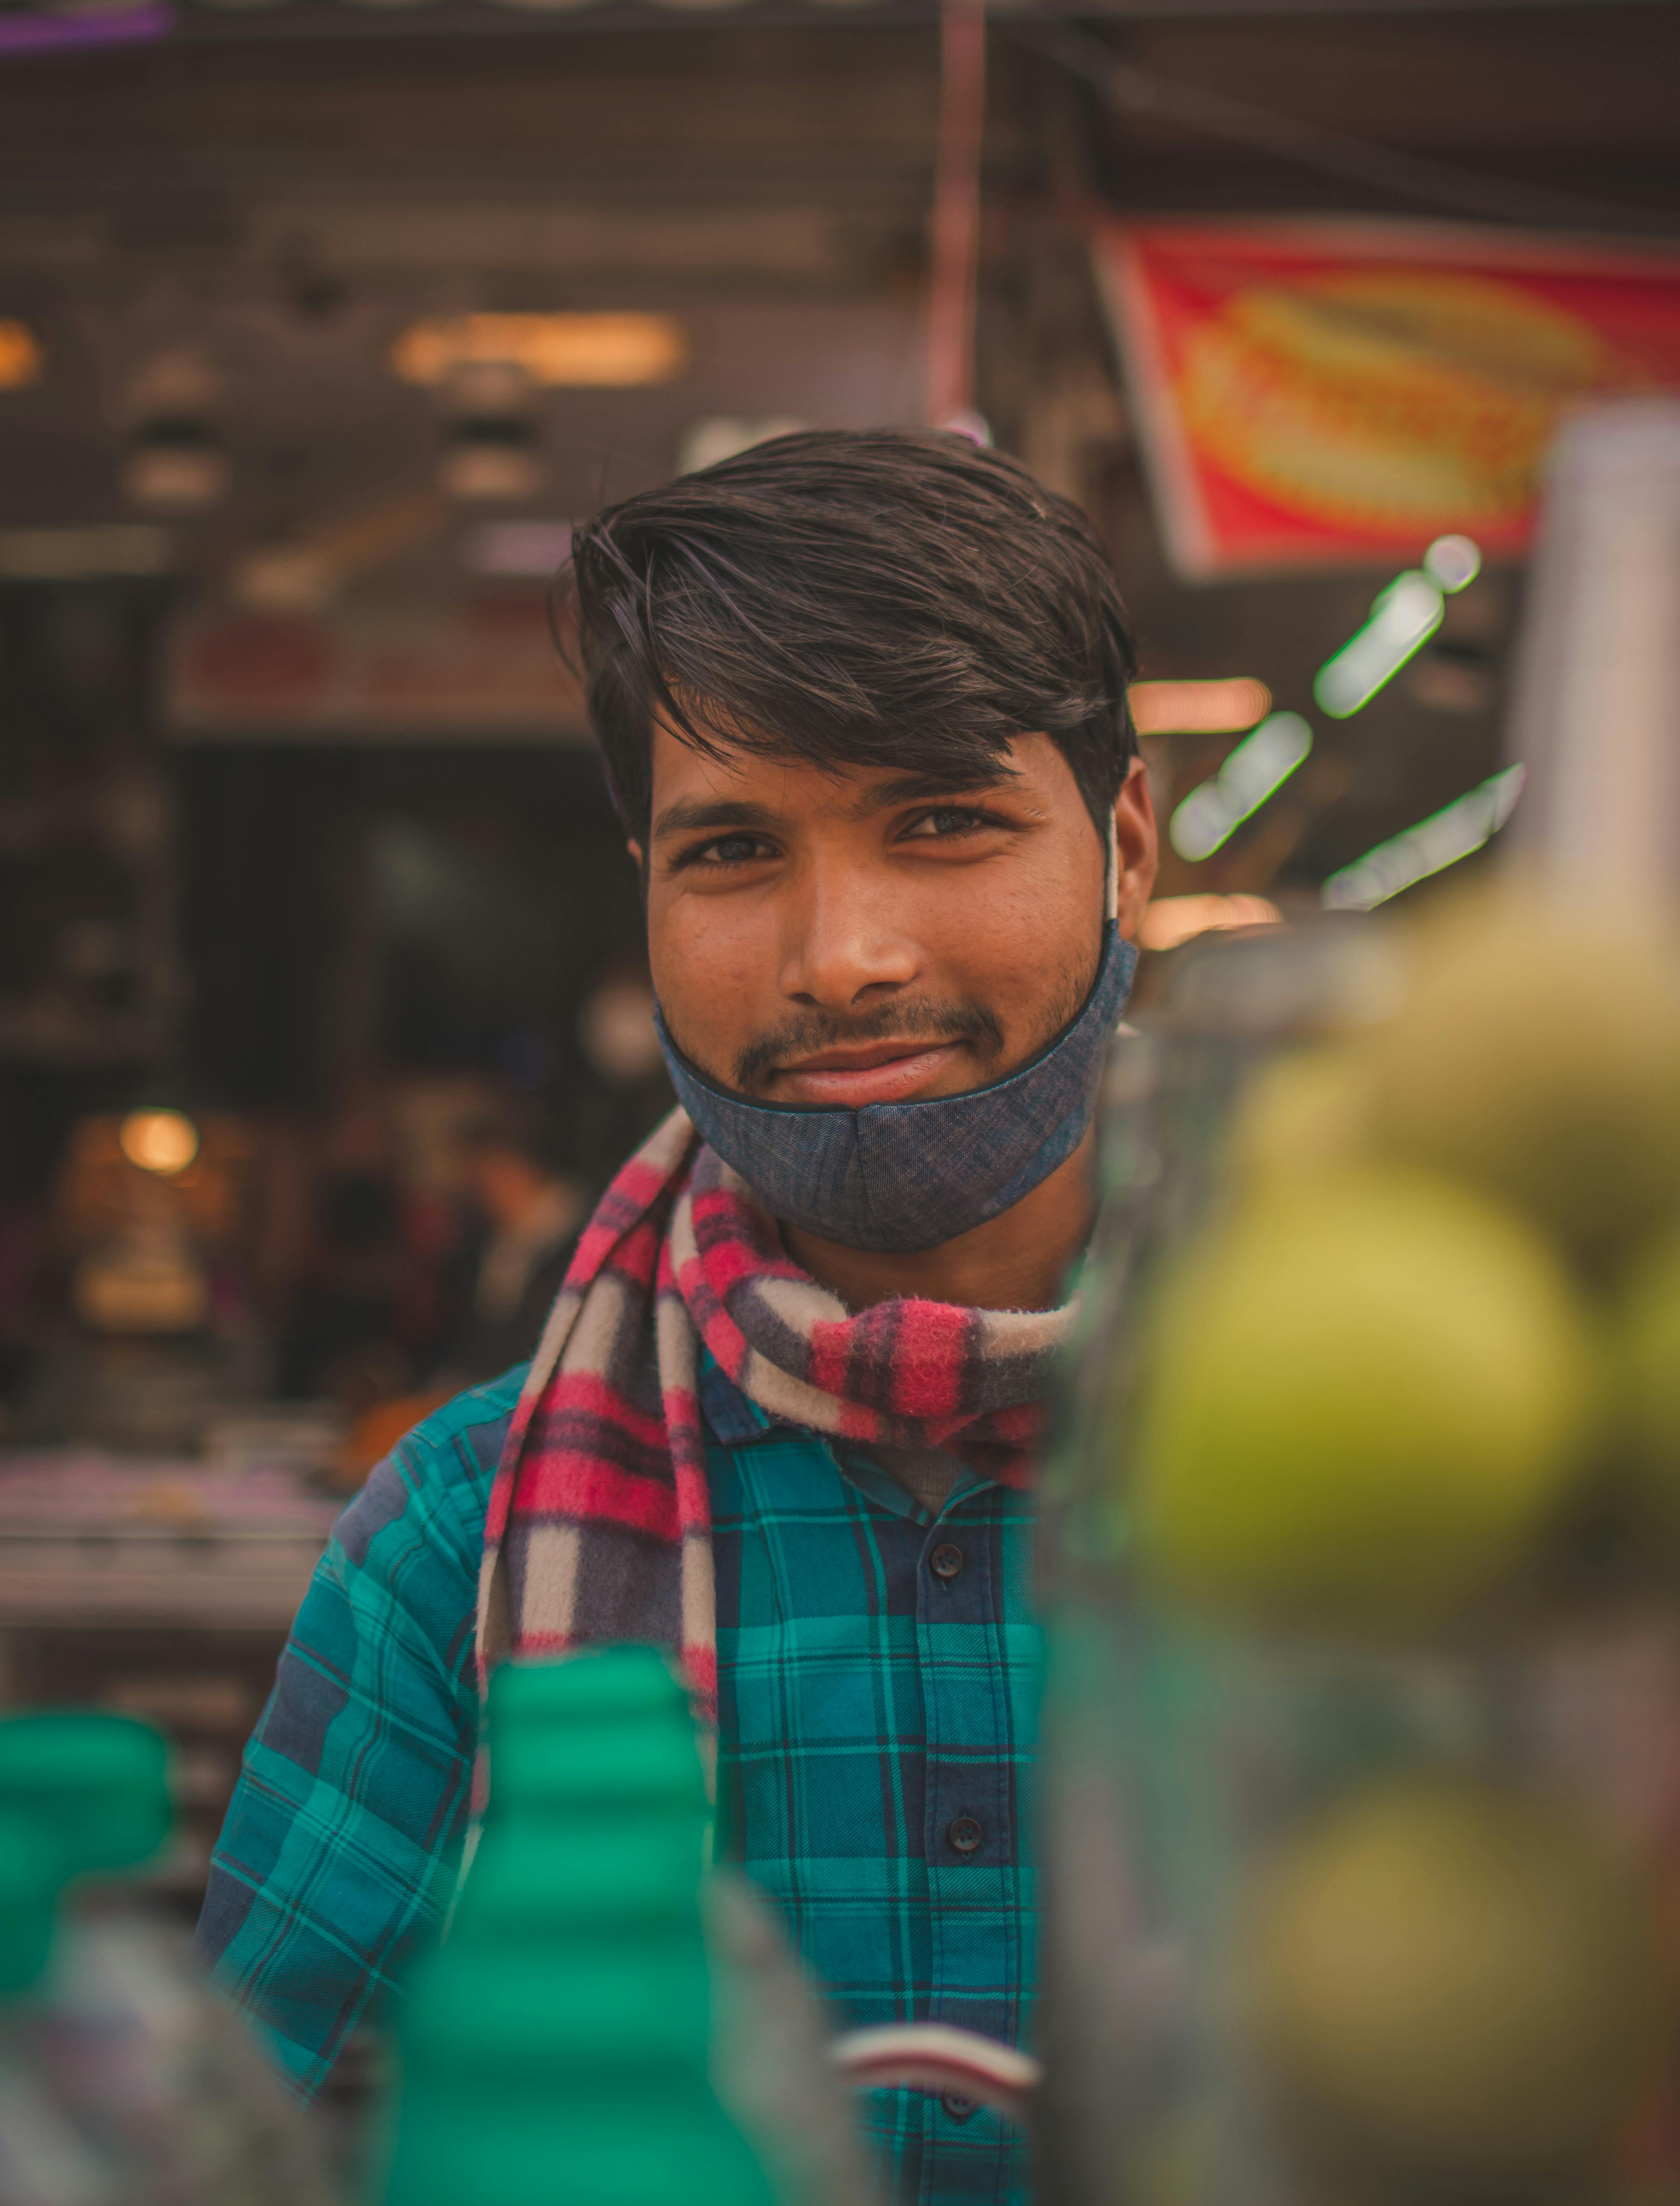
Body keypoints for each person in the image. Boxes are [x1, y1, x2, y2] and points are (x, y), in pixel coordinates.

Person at [197, 431, 1156, 2206]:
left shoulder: (1401, 1515)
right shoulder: (452, 1540)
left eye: (940, 818)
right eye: (731, 848)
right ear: (643, 893)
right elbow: (224, 2134)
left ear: (1124, 847)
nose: (841, 956)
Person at [439, 1099, 586, 1386]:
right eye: (477, 1179)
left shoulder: (580, 1232)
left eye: (493, 1173)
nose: (486, 1189)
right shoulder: (485, 1245)